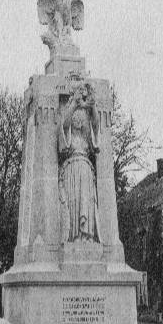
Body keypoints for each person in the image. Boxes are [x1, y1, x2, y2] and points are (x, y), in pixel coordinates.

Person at [58, 82, 101, 243]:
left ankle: (86, 235)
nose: (78, 122)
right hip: (71, 169)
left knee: (86, 202)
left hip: (85, 168)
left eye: (81, 119)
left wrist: (92, 105)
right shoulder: (68, 116)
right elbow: (64, 125)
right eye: (77, 118)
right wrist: (75, 102)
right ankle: (74, 235)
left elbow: (96, 126)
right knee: (73, 203)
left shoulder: (86, 133)